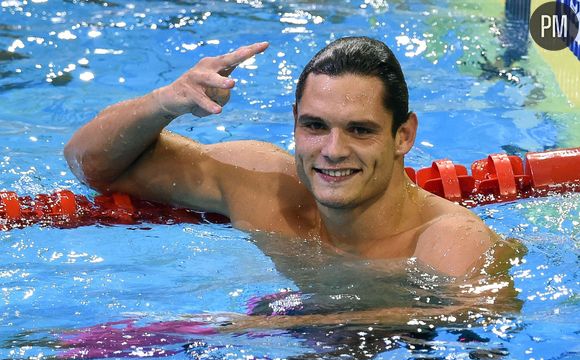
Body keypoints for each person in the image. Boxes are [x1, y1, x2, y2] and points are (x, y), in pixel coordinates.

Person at [64, 37, 507, 278]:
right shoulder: (257, 183)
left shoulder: (448, 241)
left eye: (360, 129)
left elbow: (477, 334)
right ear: (295, 121)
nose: (332, 152)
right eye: (315, 126)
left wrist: (268, 325)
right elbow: (91, 164)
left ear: (403, 135)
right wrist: (165, 101)